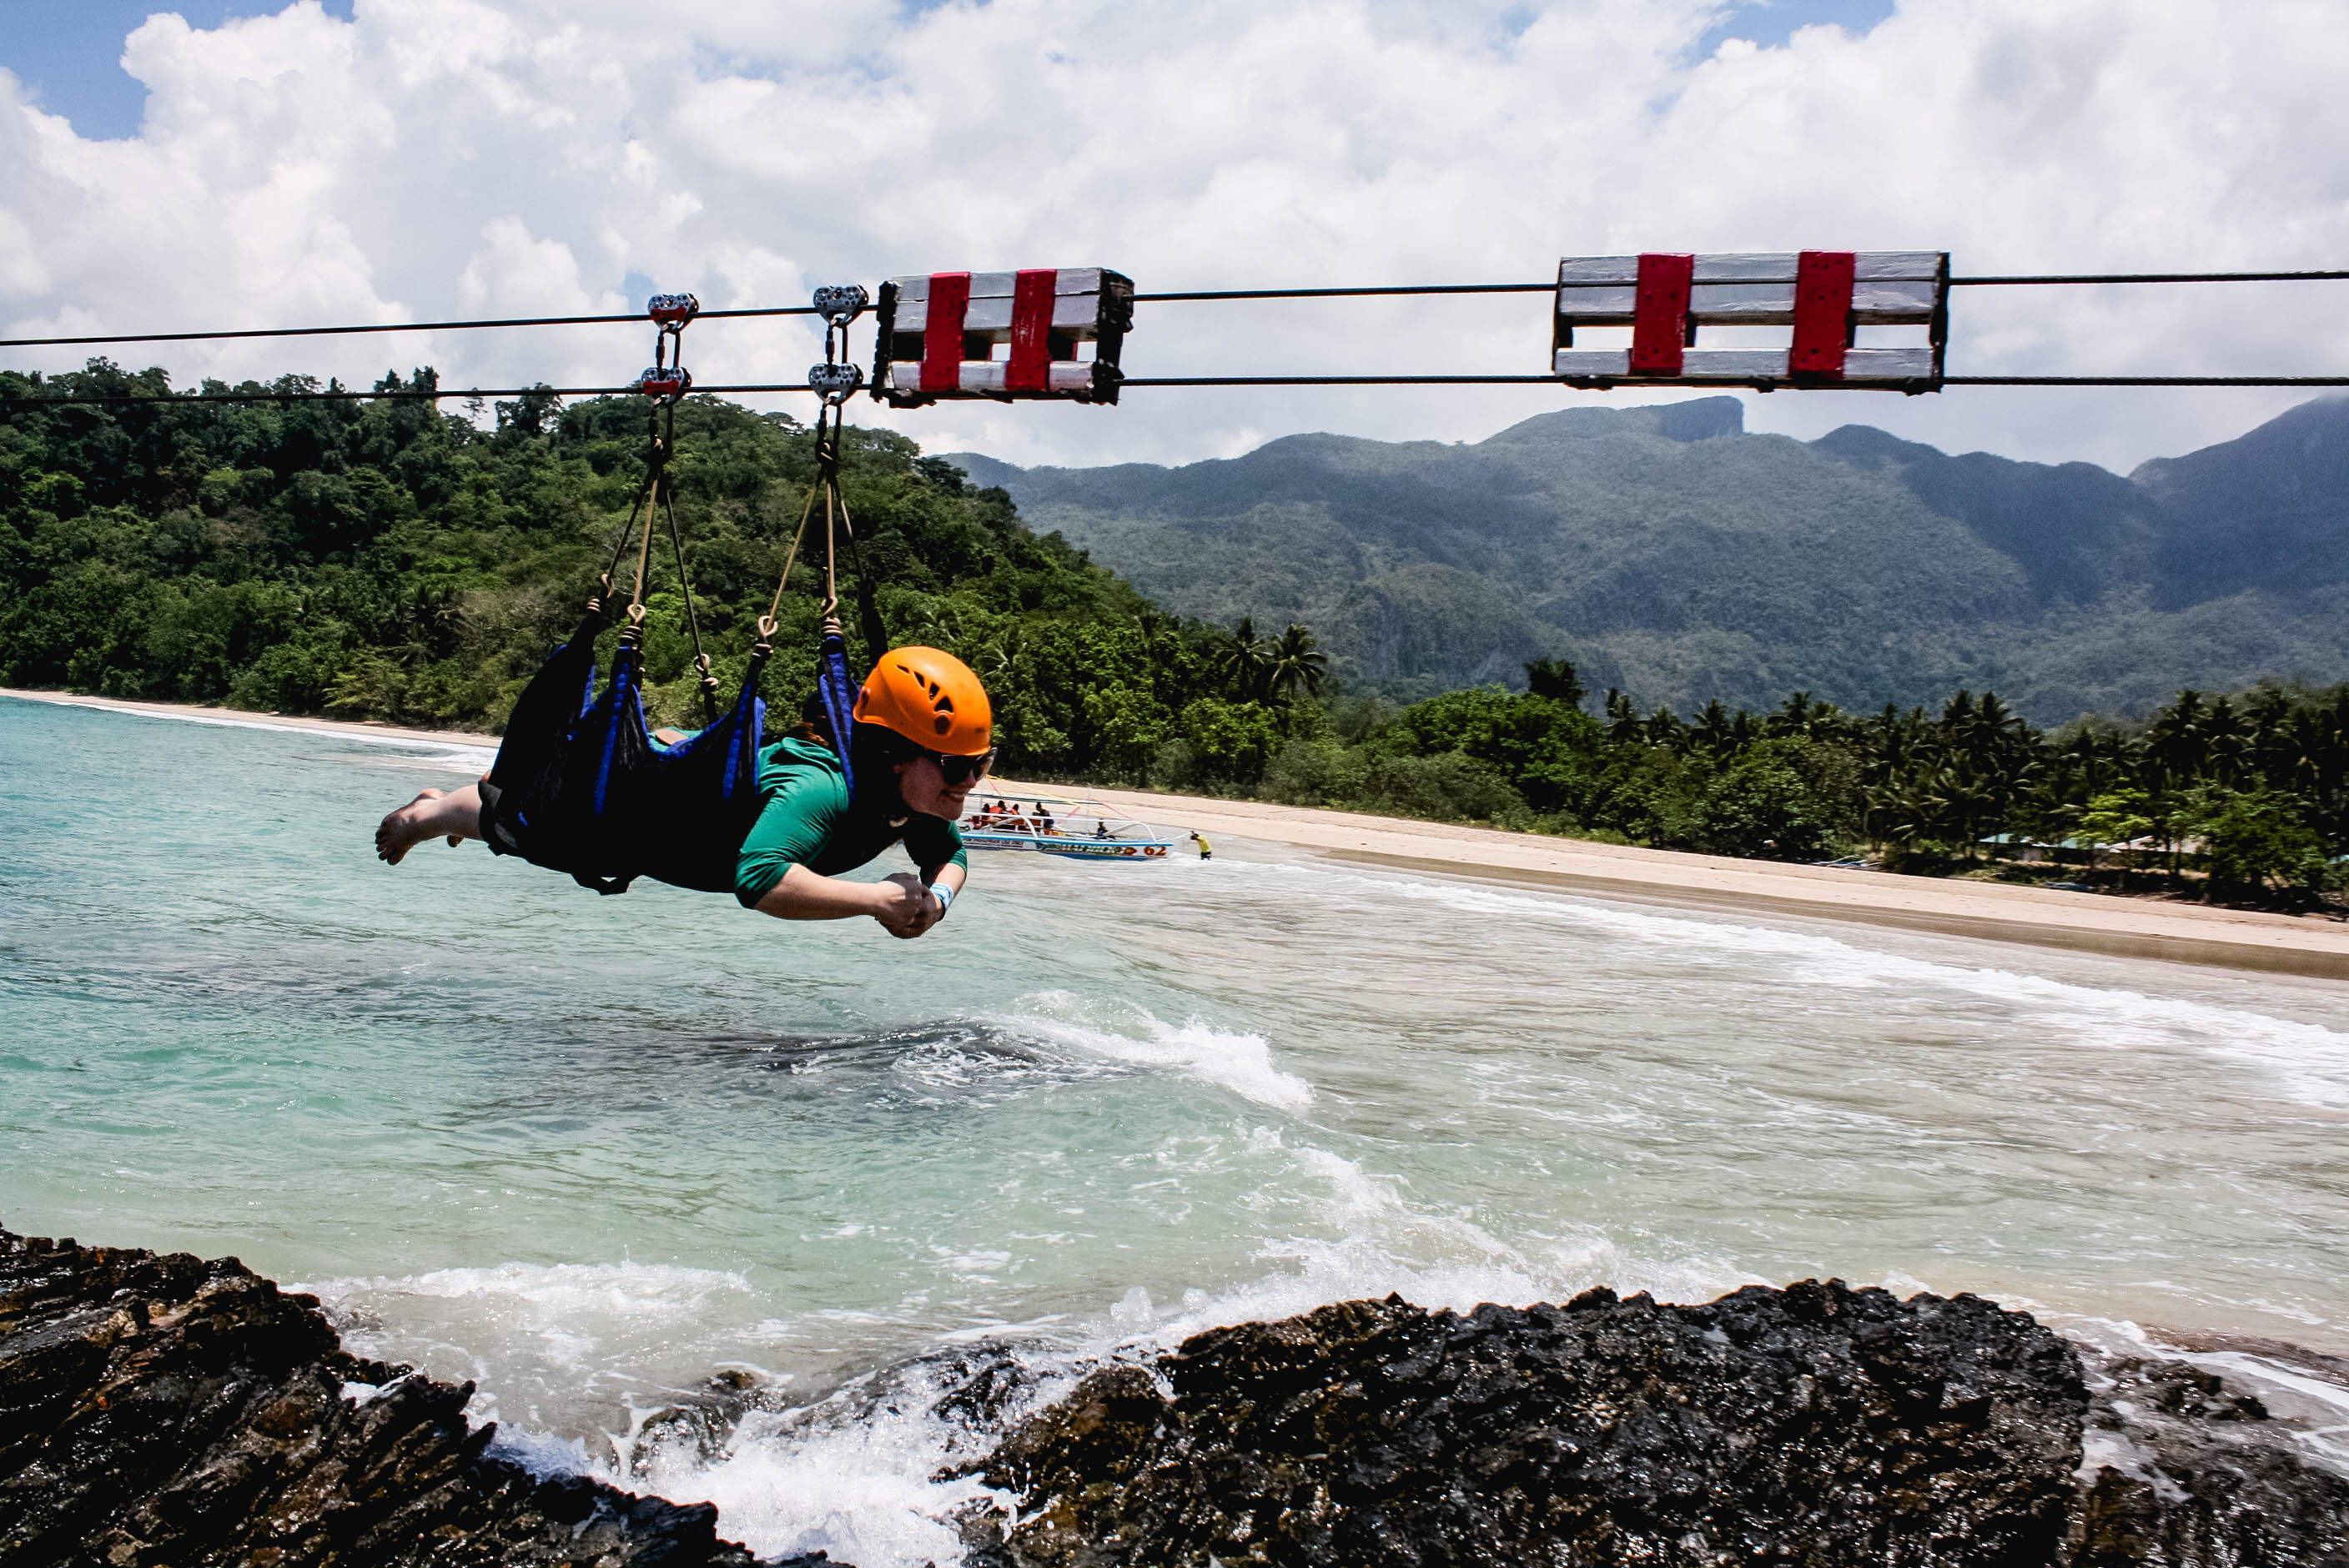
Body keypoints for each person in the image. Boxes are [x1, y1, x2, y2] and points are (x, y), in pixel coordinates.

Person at [375, 646, 995, 941]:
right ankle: (427, 813)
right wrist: (876, 900)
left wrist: (935, 902)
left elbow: (951, 855)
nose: (970, 783)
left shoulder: (911, 800)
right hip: (641, 822)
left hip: (689, 807)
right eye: (955, 767)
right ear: (893, 758)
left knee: (521, 821)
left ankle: (446, 810)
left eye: (982, 763)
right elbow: (763, 881)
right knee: (523, 824)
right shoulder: (820, 790)